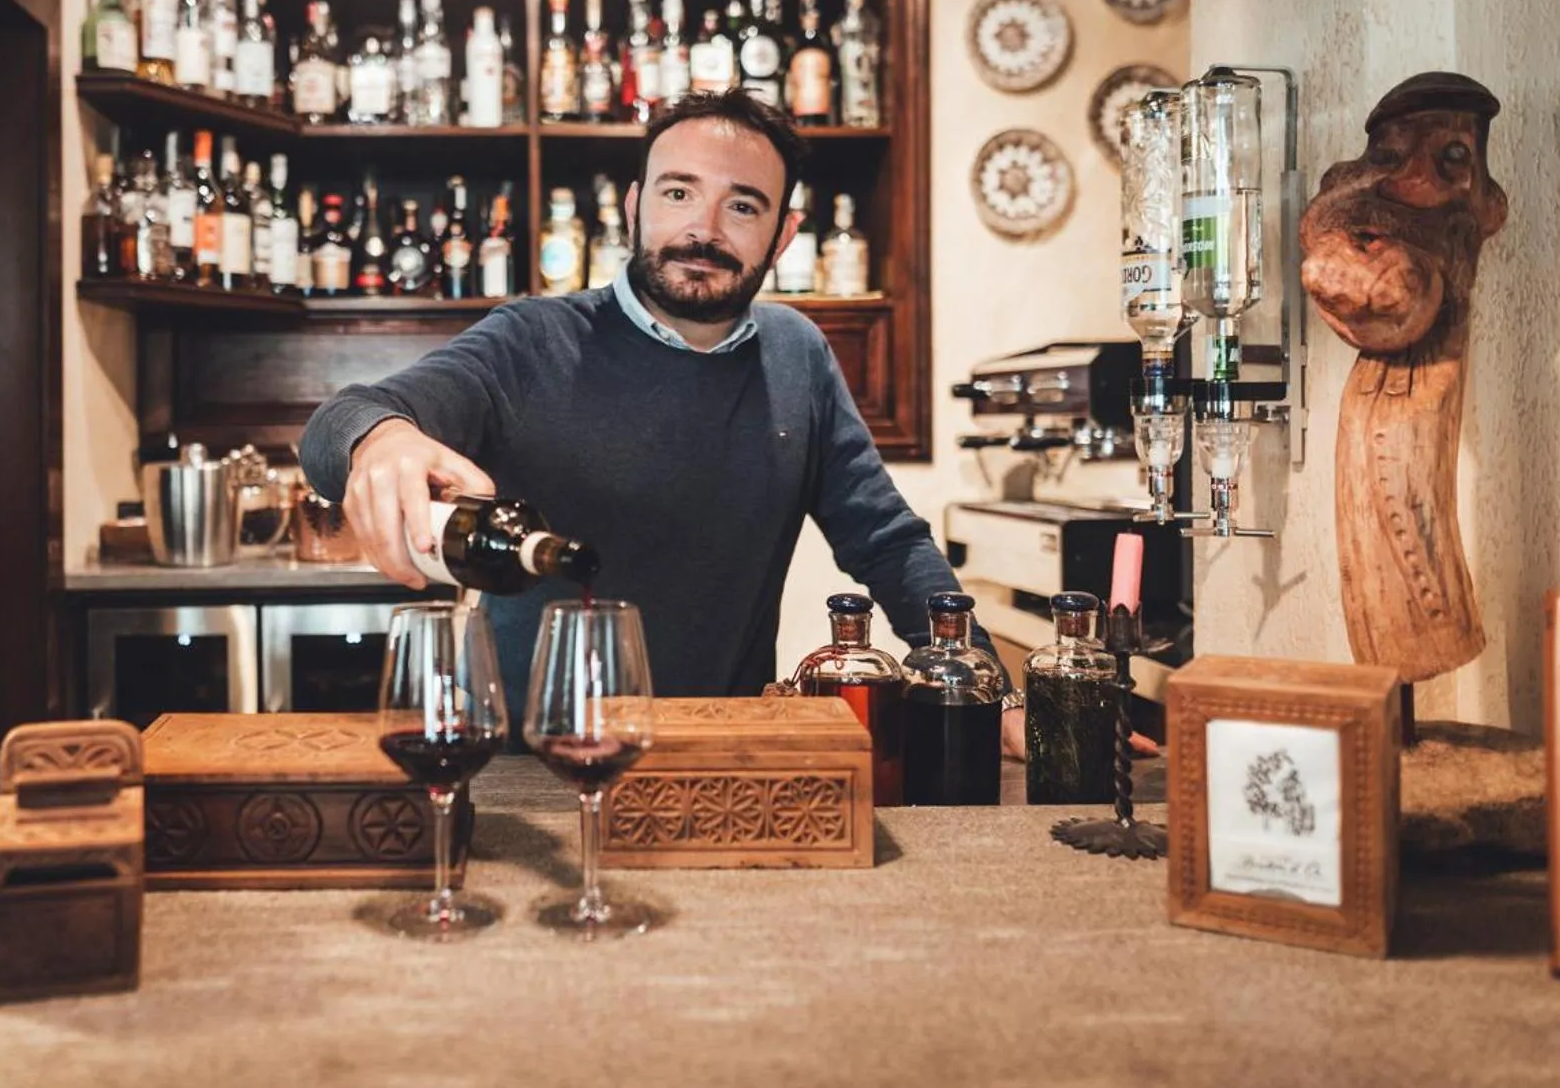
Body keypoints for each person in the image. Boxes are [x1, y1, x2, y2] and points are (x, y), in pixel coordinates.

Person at [299, 89, 1021, 755]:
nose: (702, 229)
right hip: (530, 770)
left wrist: (996, 690)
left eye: (742, 206)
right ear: (637, 202)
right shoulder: (532, 339)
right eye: (679, 193)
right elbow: (340, 423)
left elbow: (888, 543)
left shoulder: (797, 354)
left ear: (784, 233)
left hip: (719, 762)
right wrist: (382, 439)